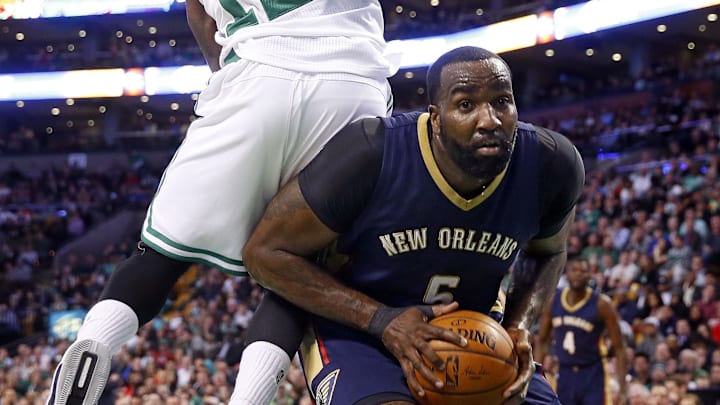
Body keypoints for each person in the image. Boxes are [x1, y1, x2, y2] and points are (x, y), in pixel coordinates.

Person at [46, 1, 397, 404]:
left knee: (157, 259)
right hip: (355, 87)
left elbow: (198, 13)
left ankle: (93, 348)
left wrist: (231, 79)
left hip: (257, 76)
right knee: (297, 270)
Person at [242, 46, 585, 404]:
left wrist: (517, 325)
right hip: (360, 332)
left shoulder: (551, 165)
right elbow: (264, 254)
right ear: (435, 118)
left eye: (501, 102)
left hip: (474, 330)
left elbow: (549, 252)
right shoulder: (370, 154)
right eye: (466, 105)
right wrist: (380, 320)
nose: (490, 120)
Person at [536, 258, 629, 405]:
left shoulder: (602, 304)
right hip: (565, 371)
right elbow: (542, 340)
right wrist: (537, 378)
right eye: (574, 270)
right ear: (567, 274)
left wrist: (623, 388)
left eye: (583, 271)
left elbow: (619, 347)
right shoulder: (553, 301)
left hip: (593, 372)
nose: (578, 274)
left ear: (590, 275)